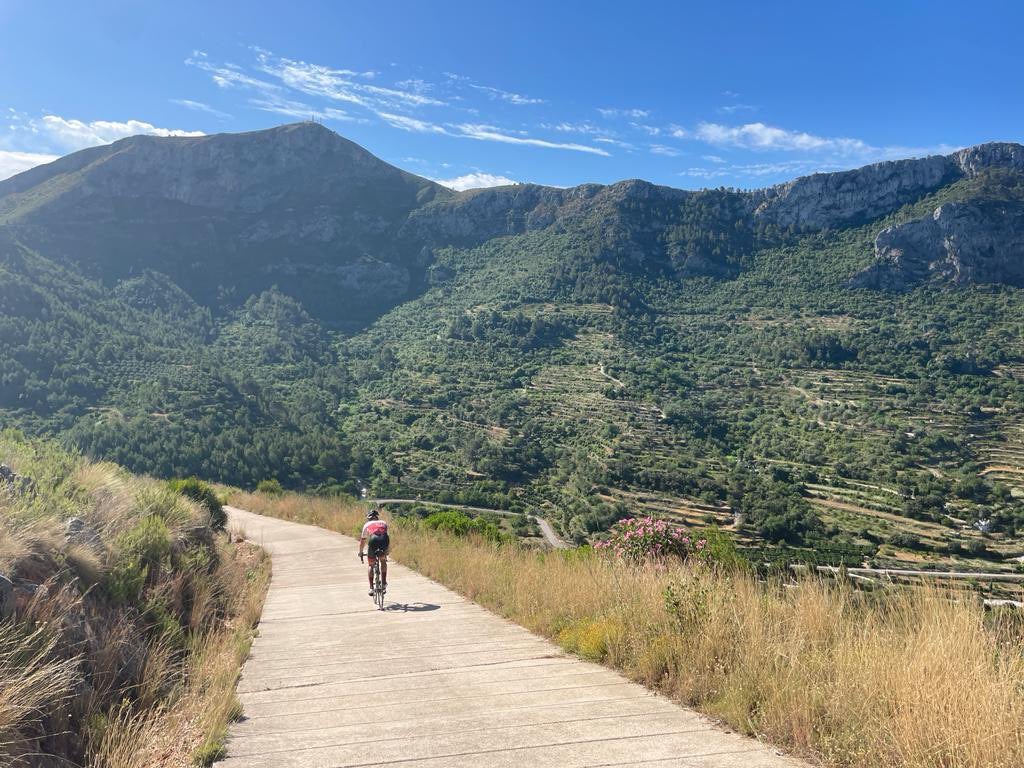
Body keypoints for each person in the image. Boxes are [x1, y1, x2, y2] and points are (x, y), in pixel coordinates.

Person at [358, 508, 390, 597]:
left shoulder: (367, 524)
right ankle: (384, 583)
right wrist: (387, 551)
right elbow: (386, 536)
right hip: (384, 540)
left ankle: (371, 588)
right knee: (383, 560)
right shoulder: (383, 522)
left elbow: (362, 541)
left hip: (373, 540)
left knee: (371, 565)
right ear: (377, 517)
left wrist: (360, 552)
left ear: (369, 518)